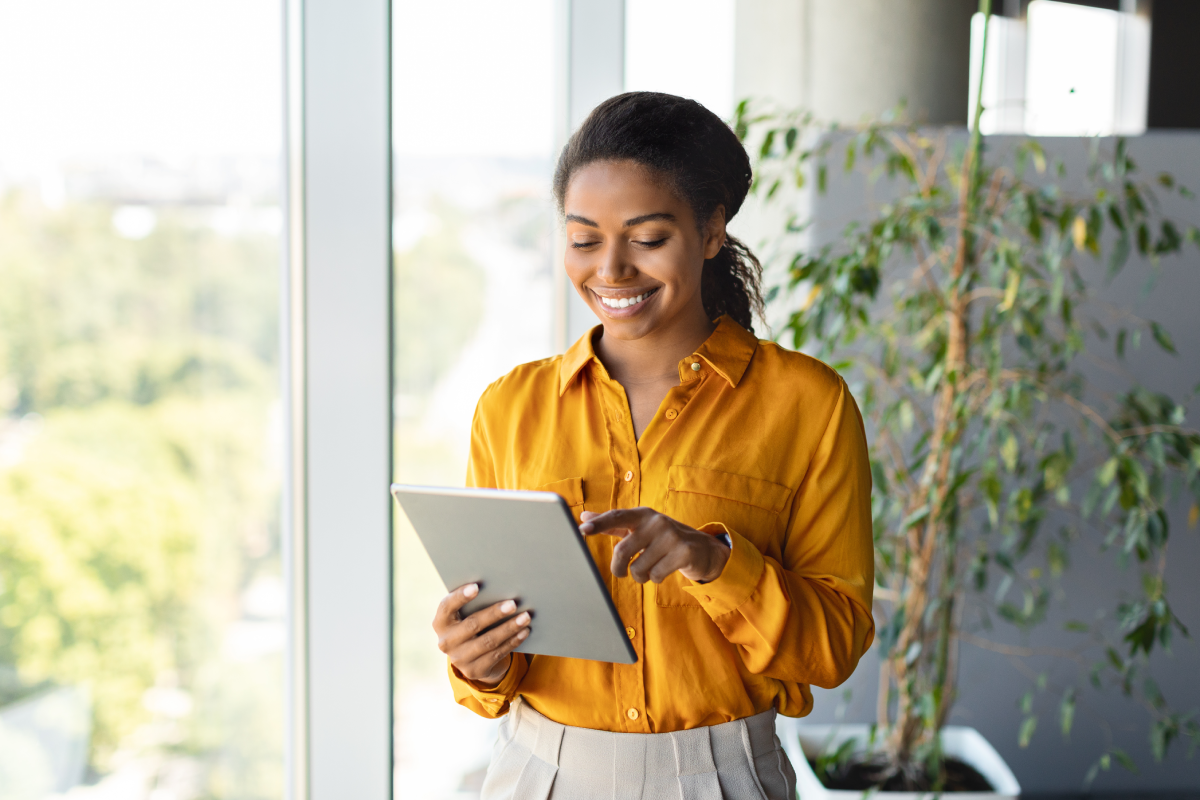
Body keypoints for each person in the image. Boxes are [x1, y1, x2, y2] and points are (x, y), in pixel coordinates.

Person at [430, 91, 875, 800]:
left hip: (721, 775)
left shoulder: (808, 404)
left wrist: (713, 562)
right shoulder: (510, 407)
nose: (611, 269)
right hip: (537, 772)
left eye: (647, 238)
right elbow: (501, 654)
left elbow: (834, 646)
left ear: (710, 232)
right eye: (584, 239)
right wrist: (477, 662)